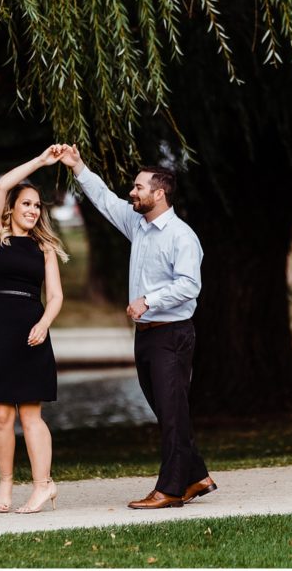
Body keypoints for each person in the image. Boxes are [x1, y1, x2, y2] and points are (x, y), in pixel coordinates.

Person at [59, 145, 216, 509]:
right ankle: (197, 476)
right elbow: (104, 200)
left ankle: (171, 489)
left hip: (172, 335)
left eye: (139, 187)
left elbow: (189, 286)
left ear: (159, 194)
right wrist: (78, 166)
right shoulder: (138, 225)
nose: (132, 192)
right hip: (146, 336)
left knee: (172, 413)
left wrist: (149, 300)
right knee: (167, 410)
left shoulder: (181, 236)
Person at [0, 145, 69, 514]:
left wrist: (44, 323)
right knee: (0, 415)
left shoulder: (44, 247)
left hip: (31, 331)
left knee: (30, 414)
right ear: (11, 208)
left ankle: (43, 485)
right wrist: (40, 161)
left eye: (37, 206)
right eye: (26, 203)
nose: (33, 210)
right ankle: (6, 481)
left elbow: (55, 296)